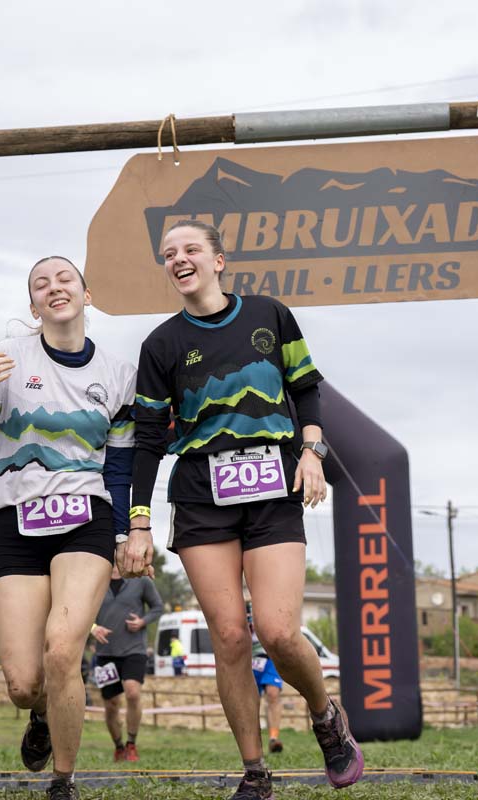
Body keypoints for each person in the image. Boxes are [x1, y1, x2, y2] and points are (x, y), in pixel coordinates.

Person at [130, 220, 362, 800]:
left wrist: (312, 451)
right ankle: (255, 773)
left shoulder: (270, 315)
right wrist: (138, 520)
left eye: (190, 249)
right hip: (201, 496)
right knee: (230, 637)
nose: (178, 259)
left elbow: (306, 387)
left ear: (219, 260)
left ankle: (326, 716)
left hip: (273, 488)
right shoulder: (160, 344)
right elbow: (149, 439)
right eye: (169, 253)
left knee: (278, 632)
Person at [0, 255, 136, 800]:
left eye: (64, 279)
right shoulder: (6, 358)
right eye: (41, 284)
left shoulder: (119, 374)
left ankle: (63, 781)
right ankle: (40, 714)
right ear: (33, 306)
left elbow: (119, 467)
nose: (54, 288)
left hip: (86, 518)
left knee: (62, 649)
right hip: (16, 520)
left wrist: (124, 533)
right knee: (23, 684)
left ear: (86, 294)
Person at [91, 562, 163, 764]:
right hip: (105, 653)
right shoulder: (95, 580)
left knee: (132, 693)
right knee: (111, 704)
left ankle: (131, 744)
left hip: (134, 650)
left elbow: (157, 607)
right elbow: (80, 611)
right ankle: (119, 747)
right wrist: (93, 628)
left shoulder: (140, 579)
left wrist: (142, 621)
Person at [246, 602, 285, 754]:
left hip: (270, 658)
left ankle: (273, 738)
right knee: (251, 701)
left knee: (273, 694)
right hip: (250, 658)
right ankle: (253, 741)